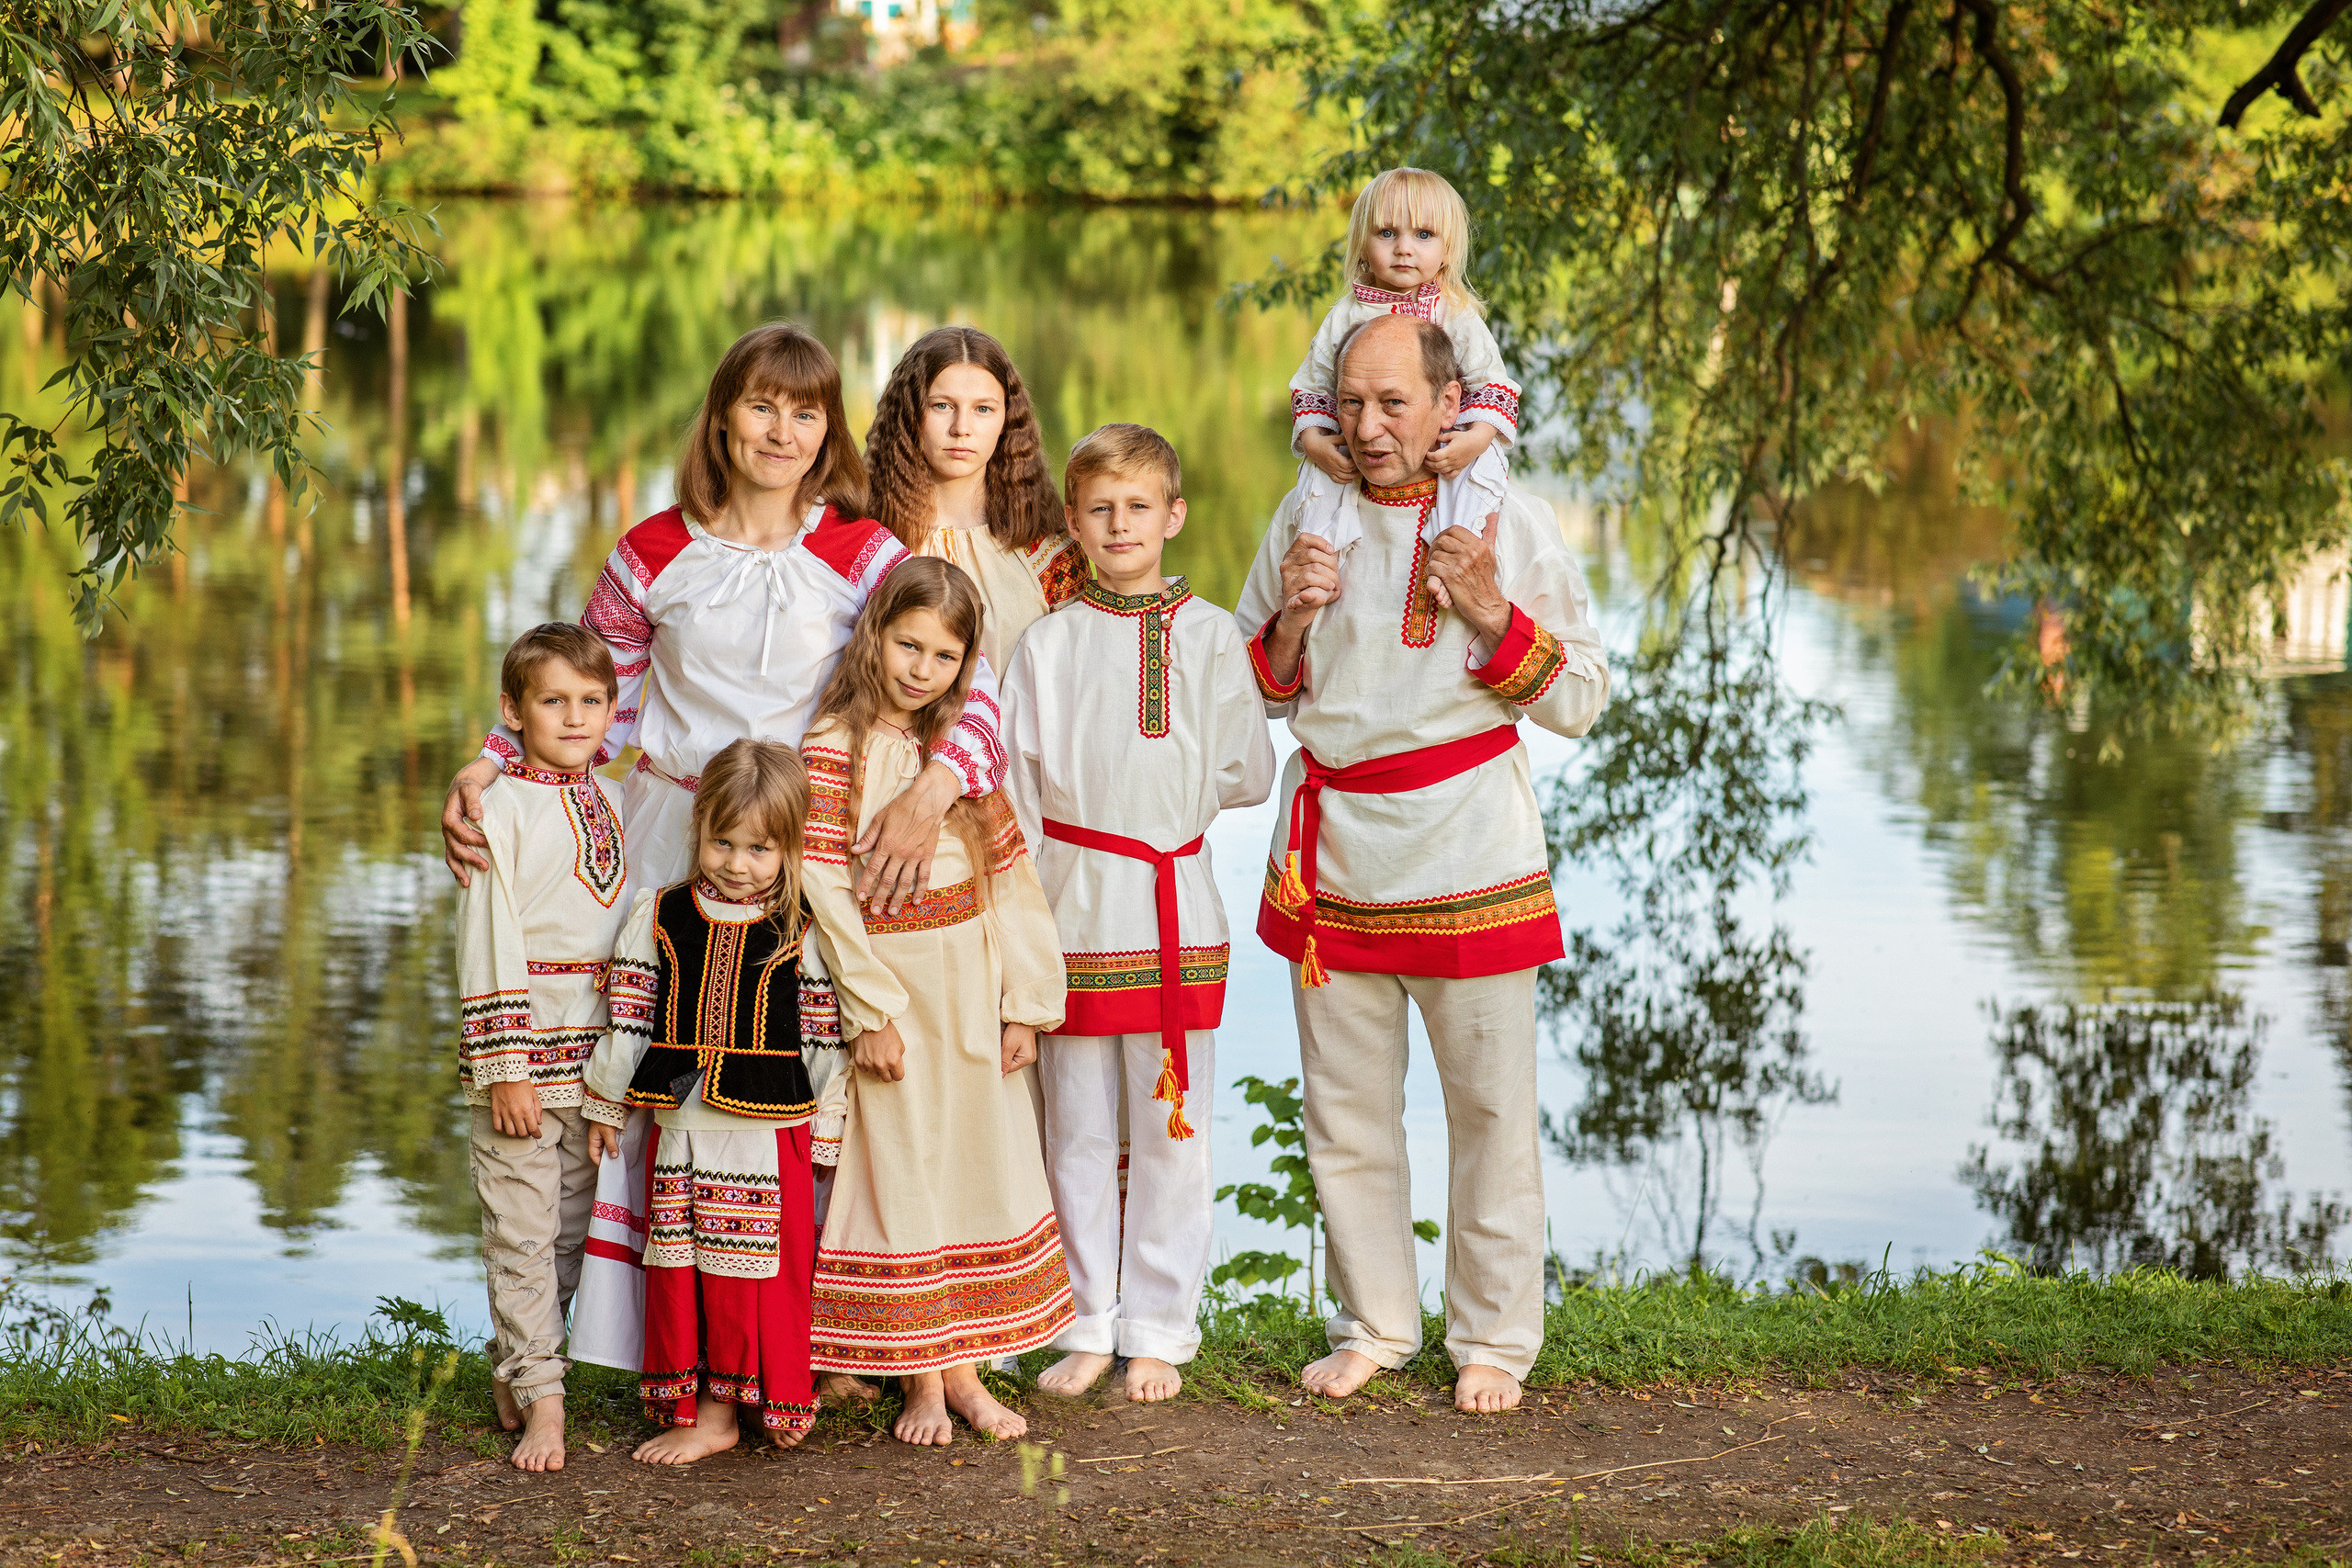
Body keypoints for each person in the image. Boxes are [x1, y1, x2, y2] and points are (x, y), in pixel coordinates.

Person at [435, 323, 1011, 1378]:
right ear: (721, 416)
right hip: (670, 839)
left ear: (826, 428)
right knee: (667, 1068)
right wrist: (486, 764)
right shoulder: (653, 549)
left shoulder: (863, 553)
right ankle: (649, 1342)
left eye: (804, 412)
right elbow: (582, 704)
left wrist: (932, 790)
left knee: (790, 1075)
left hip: (804, 850)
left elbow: (968, 697)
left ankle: (799, 1343)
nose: (781, 431)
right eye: (761, 405)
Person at [1235, 312, 1609, 1415]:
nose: (1367, 424)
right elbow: (1263, 688)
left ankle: (1492, 1338)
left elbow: (1581, 696)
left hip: (1469, 849)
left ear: (1451, 405)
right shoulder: (1305, 516)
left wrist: (1492, 609)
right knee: (1344, 1111)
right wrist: (1295, 618)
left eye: (1393, 402)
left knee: (1489, 1110)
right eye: (1349, 402)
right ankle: (1375, 1324)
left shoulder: (1509, 518)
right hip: (1336, 846)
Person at [1003, 424, 1275, 1404]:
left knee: (1173, 1126)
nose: (1120, 525)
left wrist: (1164, 803)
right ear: (1072, 524)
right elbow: (1017, 789)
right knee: (1073, 1125)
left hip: (1172, 903)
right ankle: (1085, 1319)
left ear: (1174, 516)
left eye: (1138, 507)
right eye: (1100, 509)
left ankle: (1159, 1323)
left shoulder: (1207, 637)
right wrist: (1021, 923)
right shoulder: (1046, 643)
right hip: (1071, 905)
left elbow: (1247, 770)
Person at [801, 558, 1073, 1446]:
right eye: (907, 644)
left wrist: (1026, 1000)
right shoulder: (834, 744)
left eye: (945, 656)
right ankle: (923, 1378)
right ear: (873, 634)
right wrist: (868, 1010)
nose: (922, 669)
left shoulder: (959, 758)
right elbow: (821, 883)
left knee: (972, 1162)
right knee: (905, 1169)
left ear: (965, 665)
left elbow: (1010, 876)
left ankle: (966, 1370)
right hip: (895, 985)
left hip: (970, 973)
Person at [579, 739, 842, 1462]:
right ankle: (708, 1408)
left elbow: (823, 1032)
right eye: (722, 840)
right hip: (682, 1120)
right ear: (697, 826)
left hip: (769, 1128)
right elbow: (629, 1015)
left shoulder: (800, 927)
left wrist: (831, 1121)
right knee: (684, 1264)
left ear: (788, 847)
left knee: (751, 1270)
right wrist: (606, 1100)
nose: (737, 861)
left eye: (760, 847)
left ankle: (741, 1405)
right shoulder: (660, 914)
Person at [456, 622, 632, 1472]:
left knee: (569, 1230)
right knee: (521, 1227)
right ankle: (547, 1405)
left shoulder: (619, 799)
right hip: (523, 1058)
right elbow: (488, 937)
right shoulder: (501, 809)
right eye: (553, 701)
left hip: (597, 1060)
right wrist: (506, 1068)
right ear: (512, 711)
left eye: (591, 701)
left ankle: (521, 1367)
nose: (574, 718)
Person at [1288, 168, 1521, 566]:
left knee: (1481, 473)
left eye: (1424, 235)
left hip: (1449, 440)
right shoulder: (1347, 315)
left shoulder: (1457, 315)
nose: (1404, 248)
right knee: (1319, 475)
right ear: (1362, 244)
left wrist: (1476, 439)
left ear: (1448, 249)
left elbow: (1493, 387)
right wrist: (1313, 441)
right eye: (1386, 233)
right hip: (1365, 442)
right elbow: (1312, 387)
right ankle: (1322, 558)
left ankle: (1461, 554)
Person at [865, 325, 1084, 673]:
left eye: (983, 409)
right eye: (941, 405)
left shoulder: (1046, 550)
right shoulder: (866, 534)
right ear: (908, 415)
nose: (961, 427)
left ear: (1006, 421)